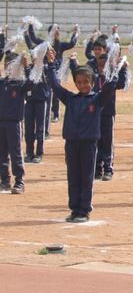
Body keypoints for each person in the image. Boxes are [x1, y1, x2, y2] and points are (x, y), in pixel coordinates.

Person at [46, 49, 117, 222]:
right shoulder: (70, 98)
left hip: (89, 144)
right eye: (79, 82)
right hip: (71, 144)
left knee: (86, 177)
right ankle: (74, 208)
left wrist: (115, 68)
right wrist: (50, 64)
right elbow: (55, 85)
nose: (83, 85)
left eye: (86, 82)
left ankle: (84, 210)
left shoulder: (97, 100)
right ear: (75, 84)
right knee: (73, 177)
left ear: (93, 82)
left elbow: (110, 87)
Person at [70, 44, 128, 181]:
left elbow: (121, 84)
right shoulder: (93, 75)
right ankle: (97, 168)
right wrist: (73, 62)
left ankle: (108, 168)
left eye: (104, 65)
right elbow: (80, 75)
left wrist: (123, 69)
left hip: (108, 112)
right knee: (95, 140)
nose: (102, 68)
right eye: (100, 65)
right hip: (93, 113)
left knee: (107, 141)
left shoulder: (112, 75)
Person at [27, 22, 78, 125]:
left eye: (57, 31)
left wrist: (75, 33)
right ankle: (46, 112)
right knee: (46, 93)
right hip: (45, 72)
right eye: (54, 31)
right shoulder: (44, 43)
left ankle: (55, 114)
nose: (56, 33)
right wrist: (31, 26)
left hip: (56, 73)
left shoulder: (61, 45)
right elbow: (33, 38)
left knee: (56, 93)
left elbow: (72, 43)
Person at [0, 52, 30, 194]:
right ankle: (5, 180)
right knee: (2, 153)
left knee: (15, 152)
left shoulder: (20, 84)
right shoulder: (1, 82)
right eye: (7, 65)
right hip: (1, 122)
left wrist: (26, 66)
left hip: (14, 123)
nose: (10, 68)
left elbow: (33, 83)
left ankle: (19, 181)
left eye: (13, 65)